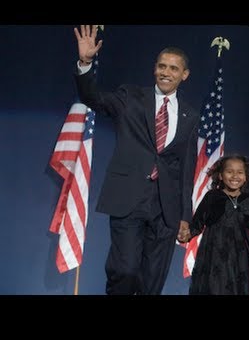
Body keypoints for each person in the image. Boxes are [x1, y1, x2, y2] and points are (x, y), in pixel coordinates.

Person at [73, 25, 199, 295]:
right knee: (125, 271)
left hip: (166, 209)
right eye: (162, 66)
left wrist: (185, 216)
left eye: (173, 69)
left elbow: (187, 169)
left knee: (152, 282)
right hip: (128, 199)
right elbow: (93, 98)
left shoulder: (190, 116)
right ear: (155, 69)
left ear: (184, 75)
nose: (166, 72)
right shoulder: (130, 97)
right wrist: (85, 63)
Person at [186, 154, 249, 295]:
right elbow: (197, 223)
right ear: (221, 175)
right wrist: (186, 234)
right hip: (215, 255)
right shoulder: (212, 196)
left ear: (245, 177)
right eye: (229, 171)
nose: (235, 176)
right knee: (215, 289)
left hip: (240, 258)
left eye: (240, 172)